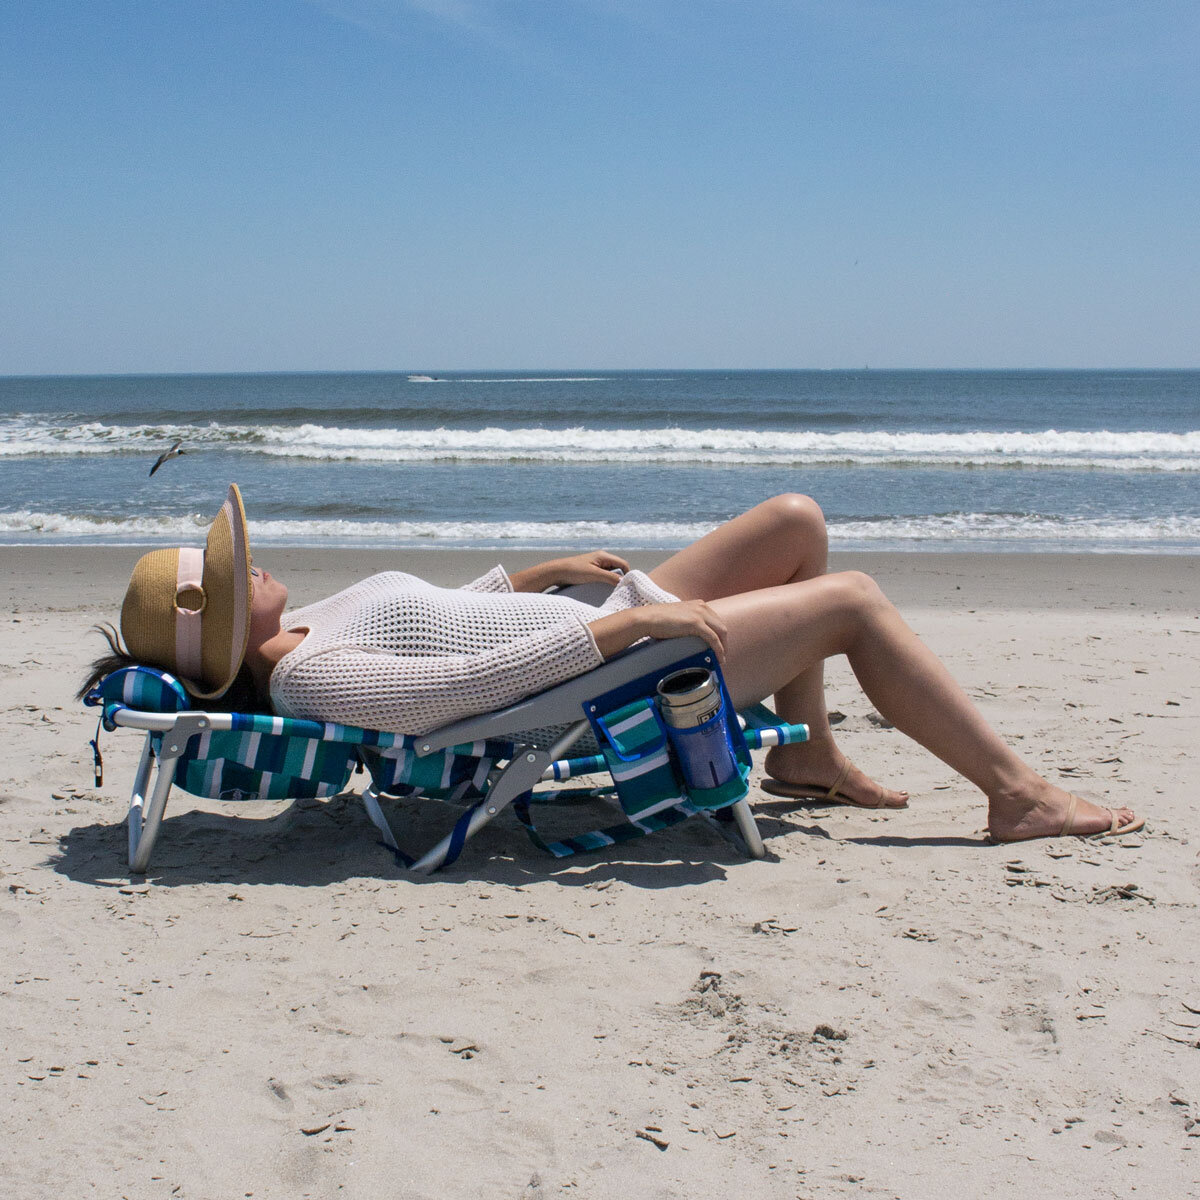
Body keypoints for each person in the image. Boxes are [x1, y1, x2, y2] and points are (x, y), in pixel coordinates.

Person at [81, 484, 1143, 845]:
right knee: (853, 600)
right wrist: (625, 634)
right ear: (223, 627)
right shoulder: (311, 679)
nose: (255, 563)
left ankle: (810, 757)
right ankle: (1016, 795)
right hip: (599, 676)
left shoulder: (305, 623)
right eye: (237, 572)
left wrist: (537, 574)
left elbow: (446, 624)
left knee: (797, 520)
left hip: (585, 628)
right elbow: (460, 693)